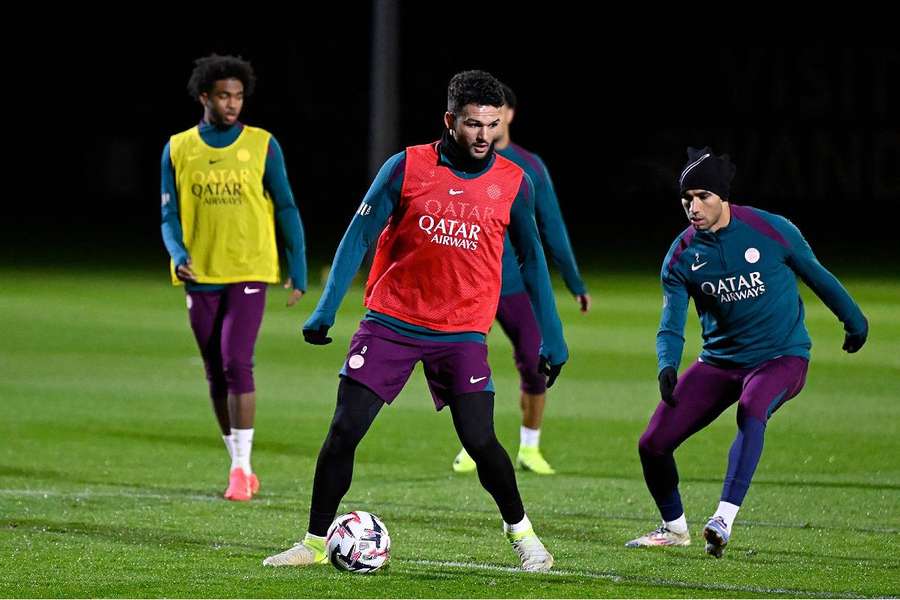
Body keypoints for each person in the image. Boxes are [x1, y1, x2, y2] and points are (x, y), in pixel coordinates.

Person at [262, 70, 567, 572]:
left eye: (492, 125)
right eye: (473, 124)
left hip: (463, 330)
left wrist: (551, 337)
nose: (483, 136)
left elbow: (533, 260)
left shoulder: (514, 181)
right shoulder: (406, 166)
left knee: (481, 440)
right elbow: (357, 236)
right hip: (392, 321)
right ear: (450, 121)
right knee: (344, 430)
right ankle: (314, 543)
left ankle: (525, 536)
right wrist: (326, 307)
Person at [625, 147, 868, 557]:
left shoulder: (771, 229)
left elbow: (817, 275)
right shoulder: (682, 255)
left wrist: (854, 321)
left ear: (722, 195)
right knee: (652, 444)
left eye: (702, 196)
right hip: (719, 364)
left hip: (781, 357)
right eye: (686, 200)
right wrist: (667, 365)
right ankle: (674, 527)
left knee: (752, 408)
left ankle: (723, 518)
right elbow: (671, 321)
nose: (693, 207)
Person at [160, 54, 307, 502]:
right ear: (205, 96)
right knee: (213, 370)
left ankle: (242, 468)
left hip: (250, 267)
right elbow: (168, 214)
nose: (232, 104)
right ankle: (236, 461)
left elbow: (285, 206)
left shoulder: (263, 144)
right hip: (200, 271)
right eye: (224, 95)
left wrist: (296, 266)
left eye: (239, 96)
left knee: (235, 360)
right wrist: (178, 253)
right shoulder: (178, 147)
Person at [451, 82, 590, 476]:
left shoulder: (529, 167)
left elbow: (553, 226)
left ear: (507, 115)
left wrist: (575, 282)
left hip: (513, 286)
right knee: (463, 364)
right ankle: (471, 442)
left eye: (496, 114)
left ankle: (530, 447)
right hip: (469, 284)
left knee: (534, 360)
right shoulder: (455, 161)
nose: (487, 127)